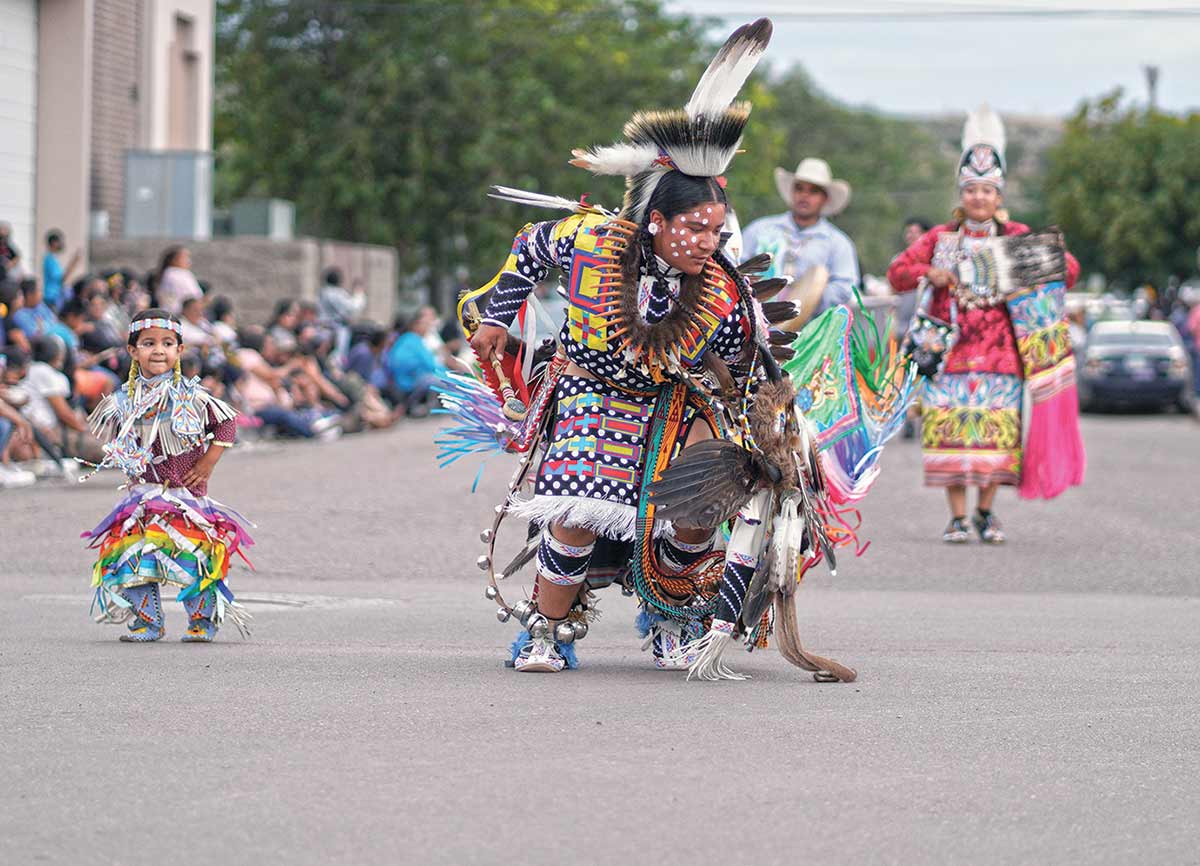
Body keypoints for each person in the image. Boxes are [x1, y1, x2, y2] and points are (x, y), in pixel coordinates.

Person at [445, 19, 861, 683]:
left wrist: (773, 438)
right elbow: (527, 247)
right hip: (589, 391)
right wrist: (498, 313)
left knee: (698, 507)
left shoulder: (723, 291)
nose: (708, 239)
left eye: (717, 229)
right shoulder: (589, 242)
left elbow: (753, 368)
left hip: (673, 400)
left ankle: (673, 621)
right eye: (695, 227)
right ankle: (546, 631)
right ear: (658, 221)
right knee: (578, 509)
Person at [888, 105, 1082, 544]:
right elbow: (897, 272)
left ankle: (986, 512)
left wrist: (1047, 253)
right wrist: (930, 273)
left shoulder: (1014, 236)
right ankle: (957, 517)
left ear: (999, 196)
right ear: (961, 194)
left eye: (987, 191)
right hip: (949, 358)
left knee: (997, 438)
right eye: (972, 190)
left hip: (1001, 359)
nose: (979, 198)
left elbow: (1068, 271)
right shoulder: (939, 239)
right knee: (950, 435)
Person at [82, 309, 252, 642]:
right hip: (141, 497)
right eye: (148, 343)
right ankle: (149, 621)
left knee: (194, 559)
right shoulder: (123, 400)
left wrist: (207, 463)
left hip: (184, 497)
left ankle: (202, 621)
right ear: (133, 351)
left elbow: (227, 422)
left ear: (179, 351)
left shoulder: (190, 396)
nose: (158, 350)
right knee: (131, 558)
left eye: (167, 343)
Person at [740, 157, 860, 319]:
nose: (804, 195)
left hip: (812, 332)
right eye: (799, 188)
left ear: (825, 199)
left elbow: (845, 287)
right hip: (755, 324)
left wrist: (807, 299)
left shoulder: (838, 243)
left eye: (813, 191)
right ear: (792, 192)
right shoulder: (760, 230)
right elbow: (736, 265)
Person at [385, 310, 445, 417]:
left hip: (400, 382)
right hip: (409, 383)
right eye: (424, 324)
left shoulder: (405, 339)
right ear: (415, 325)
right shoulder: (414, 340)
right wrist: (450, 374)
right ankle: (421, 406)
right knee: (439, 379)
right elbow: (430, 364)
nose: (426, 327)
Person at [318, 267, 366, 364]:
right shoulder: (333, 293)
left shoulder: (323, 291)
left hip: (328, 328)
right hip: (336, 329)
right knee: (337, 358)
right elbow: (352, 307)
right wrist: (359, 293)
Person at [152, 246, 203, 315]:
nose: (188, 261)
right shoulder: (176, 274)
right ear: (174, 260)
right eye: (184, 258)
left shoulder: (167, 274)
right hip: (180, 314)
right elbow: (193, 295)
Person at [42, 230, 83, 311]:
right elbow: (62, 279)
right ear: (54, 243)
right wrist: (74, 263)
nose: (62, 244)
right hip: (51, 297)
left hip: (55, 297)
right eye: (60, 241)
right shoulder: (49, 259)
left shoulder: (53, 258)